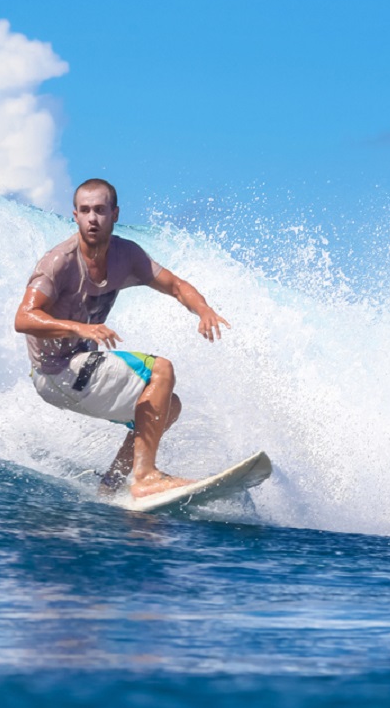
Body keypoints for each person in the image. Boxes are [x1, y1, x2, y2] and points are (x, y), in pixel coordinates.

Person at [14, 178, 230, 499]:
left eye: (100, 210)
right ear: (74, 215)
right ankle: (146, 476)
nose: (92, 218)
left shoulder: (126, 256)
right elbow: (23, 318)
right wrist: (80, 329)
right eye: (85, 211)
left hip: (77, 374)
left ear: (115, 214)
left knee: (164, 407)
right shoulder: (58, 262)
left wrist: (204, 310)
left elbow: (176, 285)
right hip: (55, 370)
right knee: (161, 370)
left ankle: (111, 484)